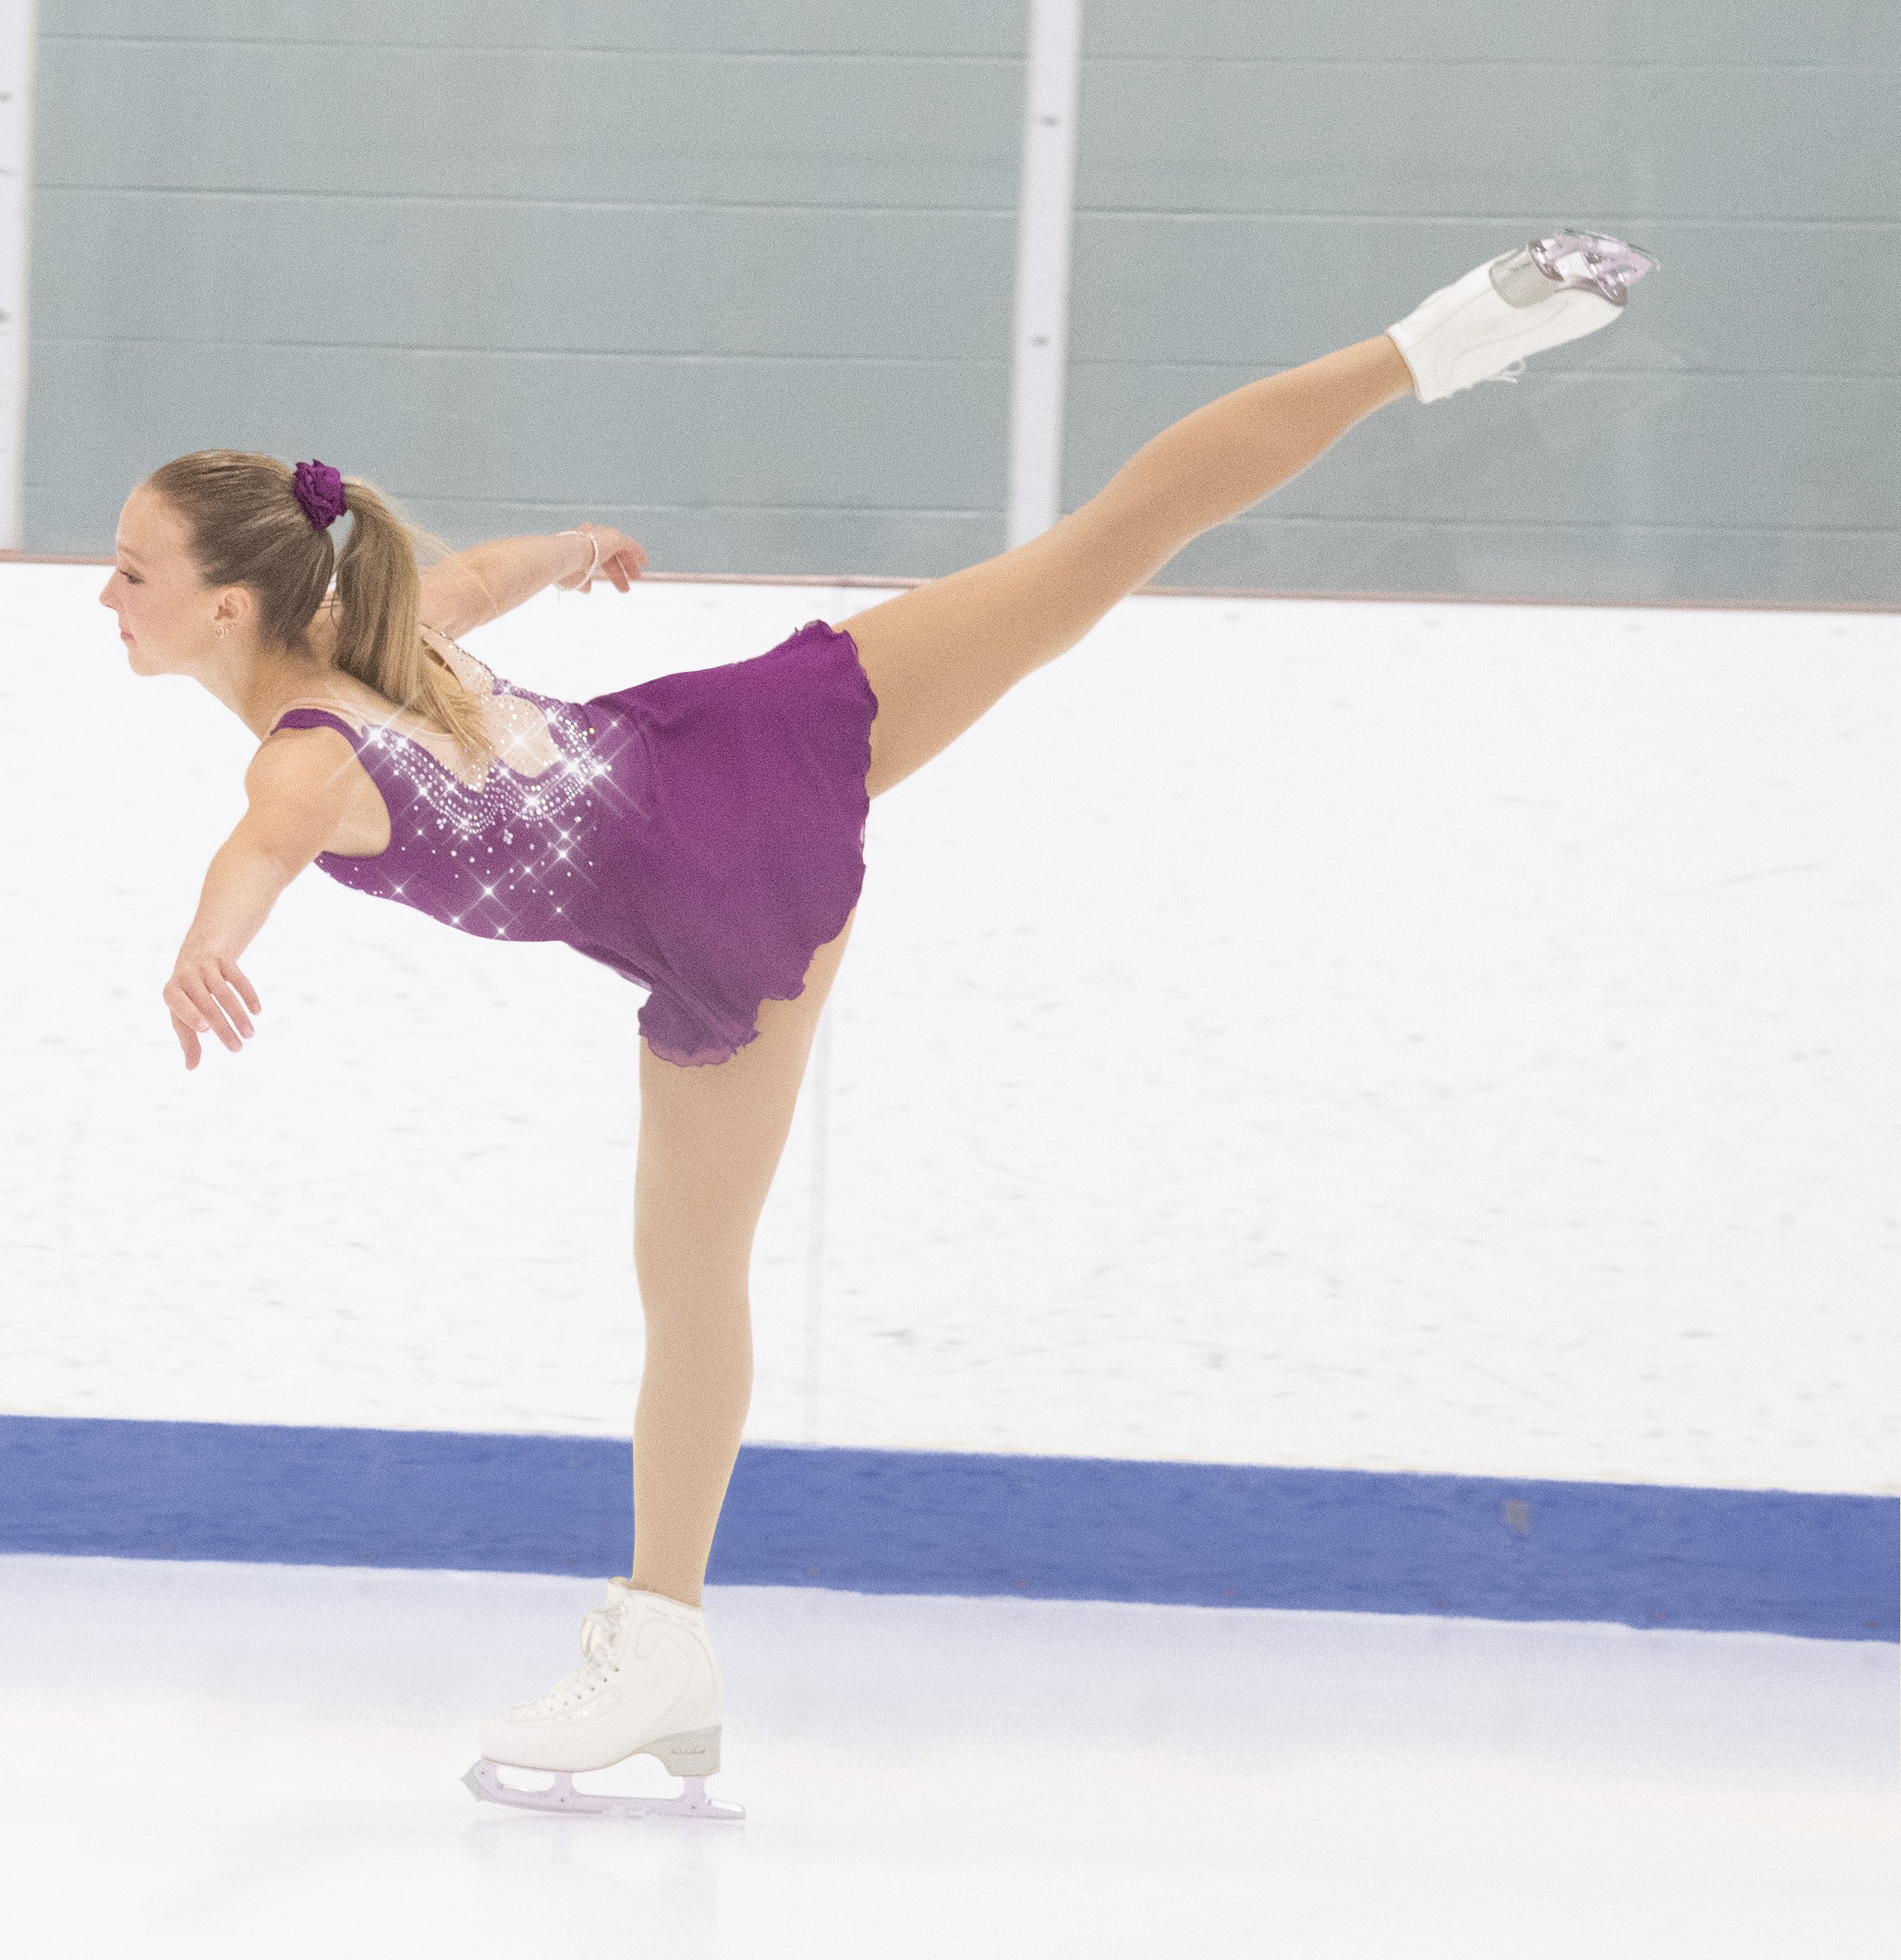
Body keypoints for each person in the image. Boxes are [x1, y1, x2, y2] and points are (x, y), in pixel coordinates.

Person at [97, 228, 1658, 1818]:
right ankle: (1445, 335)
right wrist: (571, 547)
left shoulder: (298, 753)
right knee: (1104, 541)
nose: (108, 595)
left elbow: (261, 850)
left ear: (231, 608)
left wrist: (203, 946)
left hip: (717, 906)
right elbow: (473, 581)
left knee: (692, 1292)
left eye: (134, 574)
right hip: (748, 741)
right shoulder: (394, 630)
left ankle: (663, 1645)